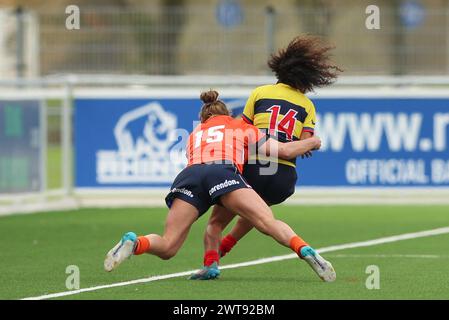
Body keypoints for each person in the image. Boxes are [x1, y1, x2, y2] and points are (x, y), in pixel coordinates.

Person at [104, 90, 336, 283]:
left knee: (168, 246)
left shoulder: (195, 133)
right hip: (222, 172)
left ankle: (135, 242)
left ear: (204, 118)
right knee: (267, 222)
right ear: (228, 114)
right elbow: (283, 151)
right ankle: (305, 250)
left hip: (190, 177)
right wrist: (311, 142)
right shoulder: (241, 127)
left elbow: (199, 163)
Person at [190, 35, 342, 280]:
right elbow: (305, 144)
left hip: (254, 167)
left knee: (216, 222)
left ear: (280, 69)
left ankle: (211, 264)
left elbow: (244, 129)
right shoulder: (307, 104)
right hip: (283, 177)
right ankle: (234, 246)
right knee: (259, 213)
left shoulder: (261, 93)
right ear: (308, 78)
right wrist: (306, 143)